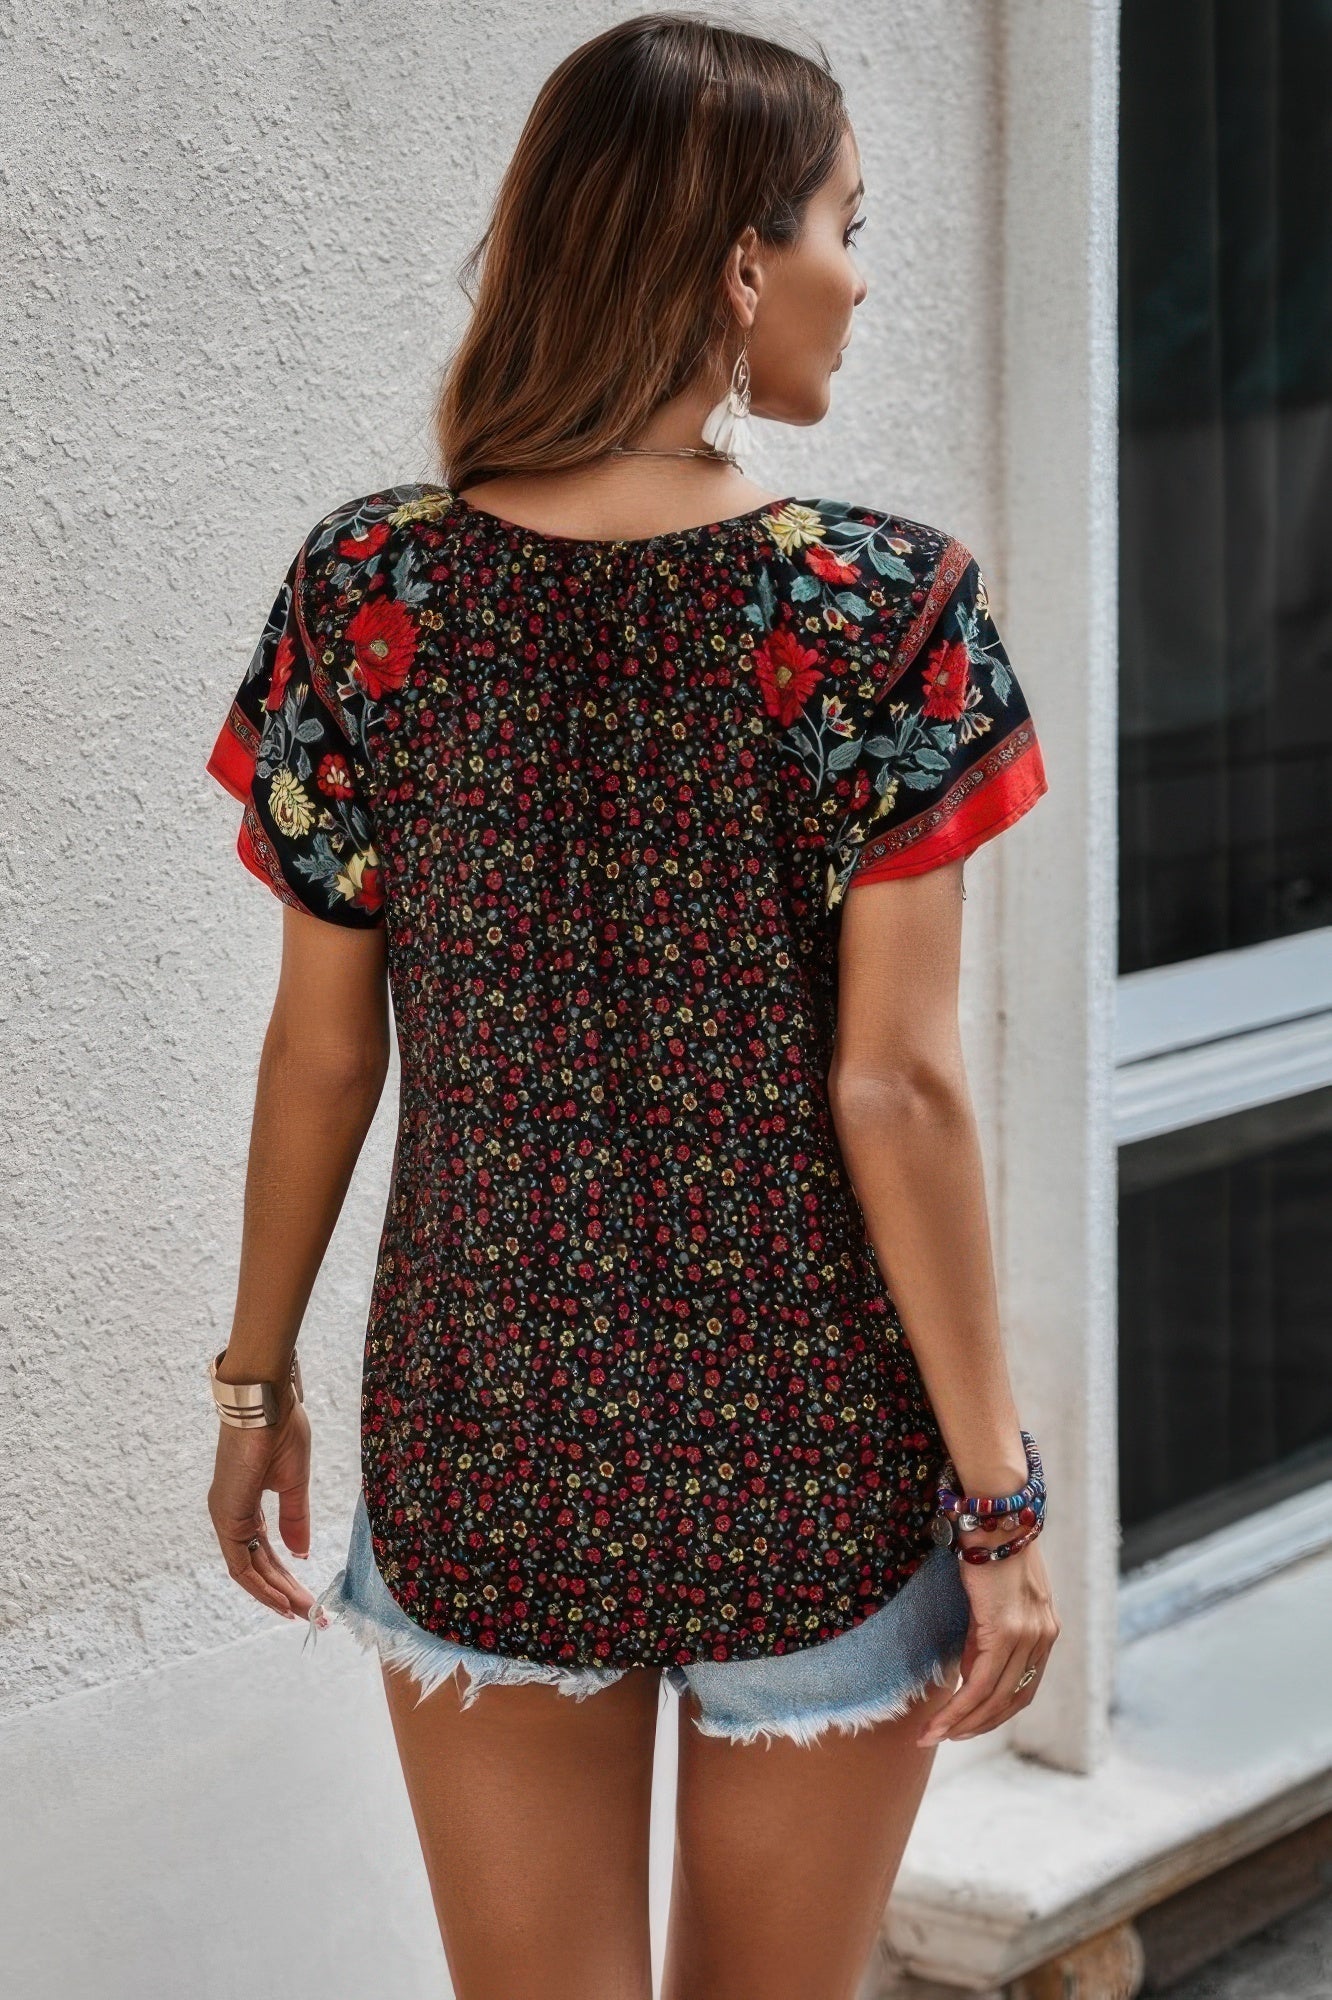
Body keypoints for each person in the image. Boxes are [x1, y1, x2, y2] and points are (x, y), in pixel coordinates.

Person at [202, 14, 1060, 1999]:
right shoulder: (884, 611)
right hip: (813, 1456)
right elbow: (899, 1090)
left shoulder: (367, 593)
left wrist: (255, 1386)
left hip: (488, 1433)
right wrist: (1000, 1500)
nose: (862, 277)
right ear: (742, 265)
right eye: (847, 225)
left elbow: (323, 1047)